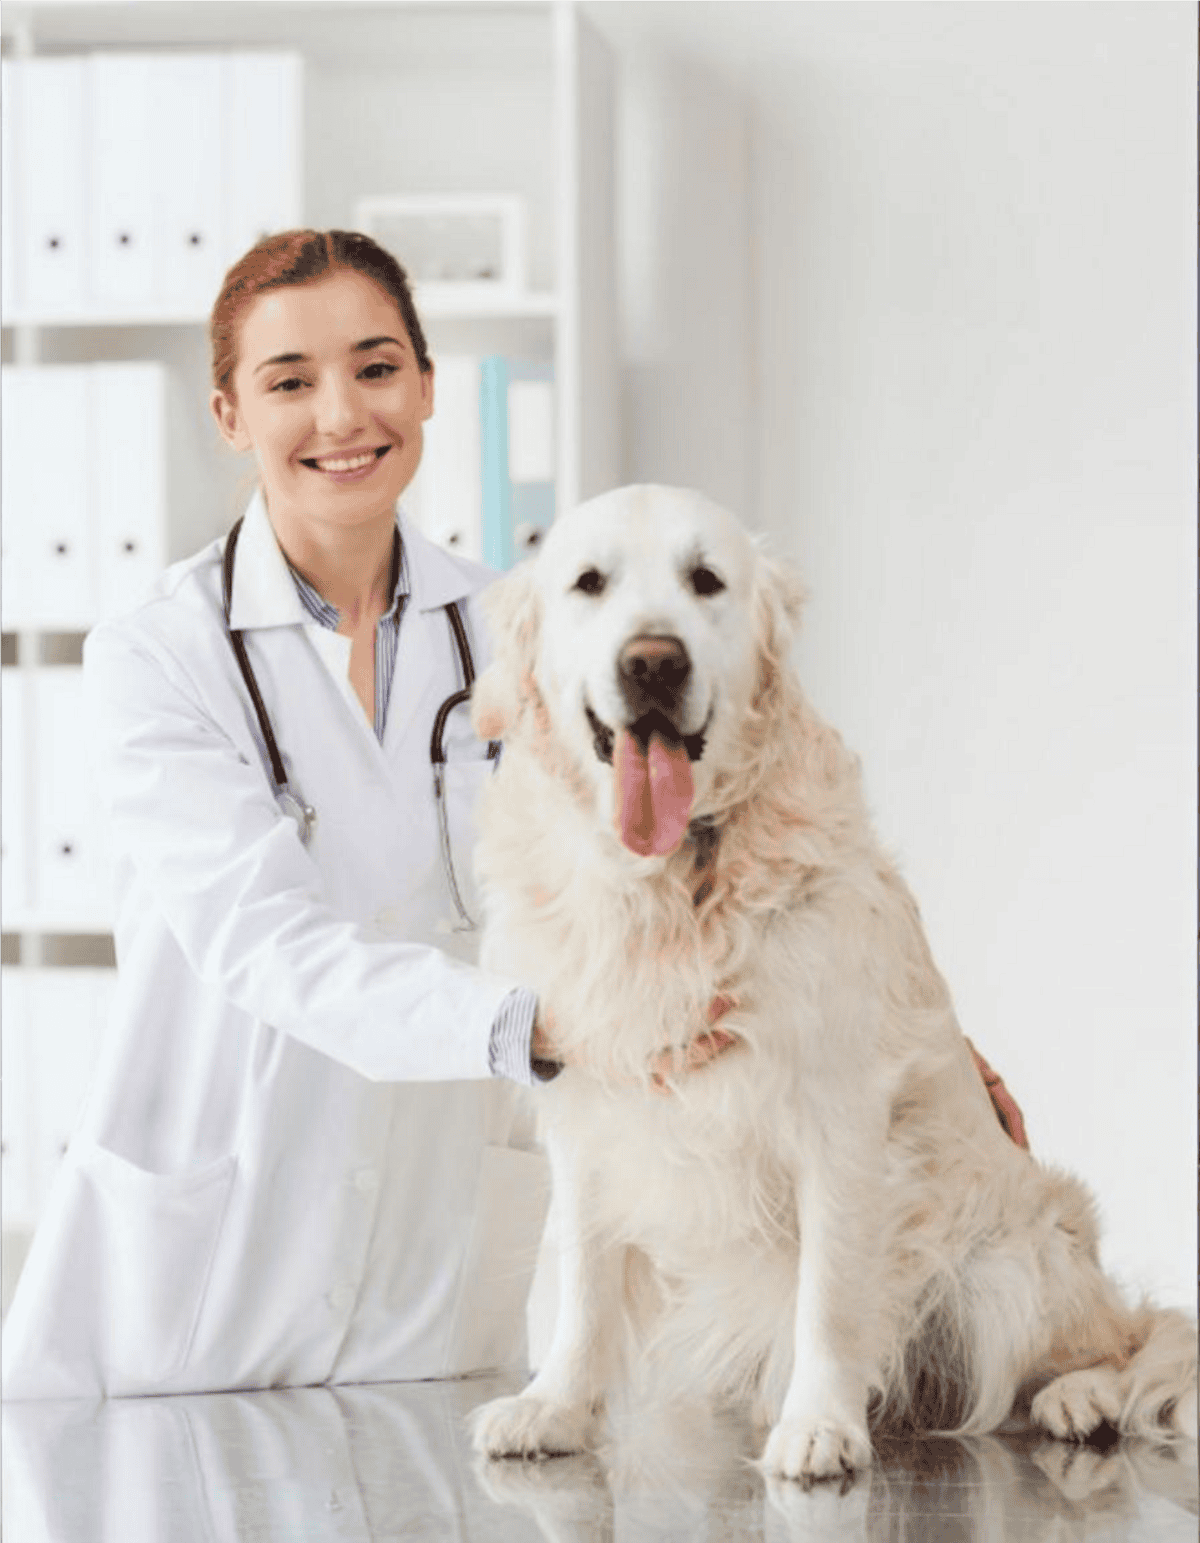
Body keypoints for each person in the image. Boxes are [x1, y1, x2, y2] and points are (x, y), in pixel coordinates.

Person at [1, 230, 565, 1401]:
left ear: (425, 384)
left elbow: (665, 871)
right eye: (290, 381)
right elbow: (265, 942)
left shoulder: (520, 629)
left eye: (374, 367)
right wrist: (531, 1027)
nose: (342, 416)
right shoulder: (157, 655)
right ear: (229, 413)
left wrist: (908, 1052)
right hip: (206, 1294)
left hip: (436, 1281)